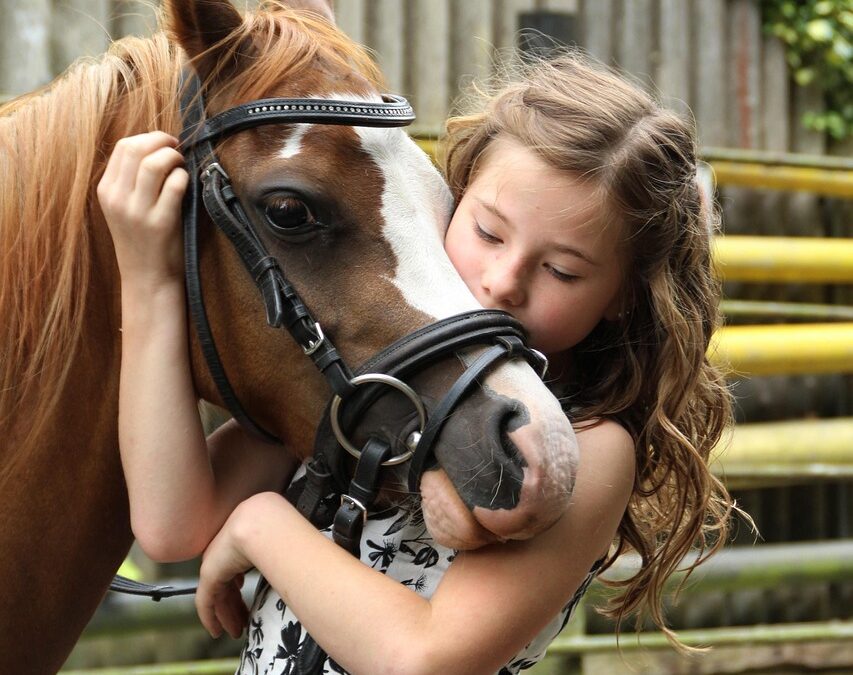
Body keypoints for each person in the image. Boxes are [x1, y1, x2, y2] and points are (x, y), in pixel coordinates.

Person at [98, 51, 736, 674]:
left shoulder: (593, 446)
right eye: (487, 233)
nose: (503, 281)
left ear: (626, 294)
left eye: (562, 270)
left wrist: (258, 526)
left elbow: (425, 658)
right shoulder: (370, 383)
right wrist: (147, 277)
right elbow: (173, 524)